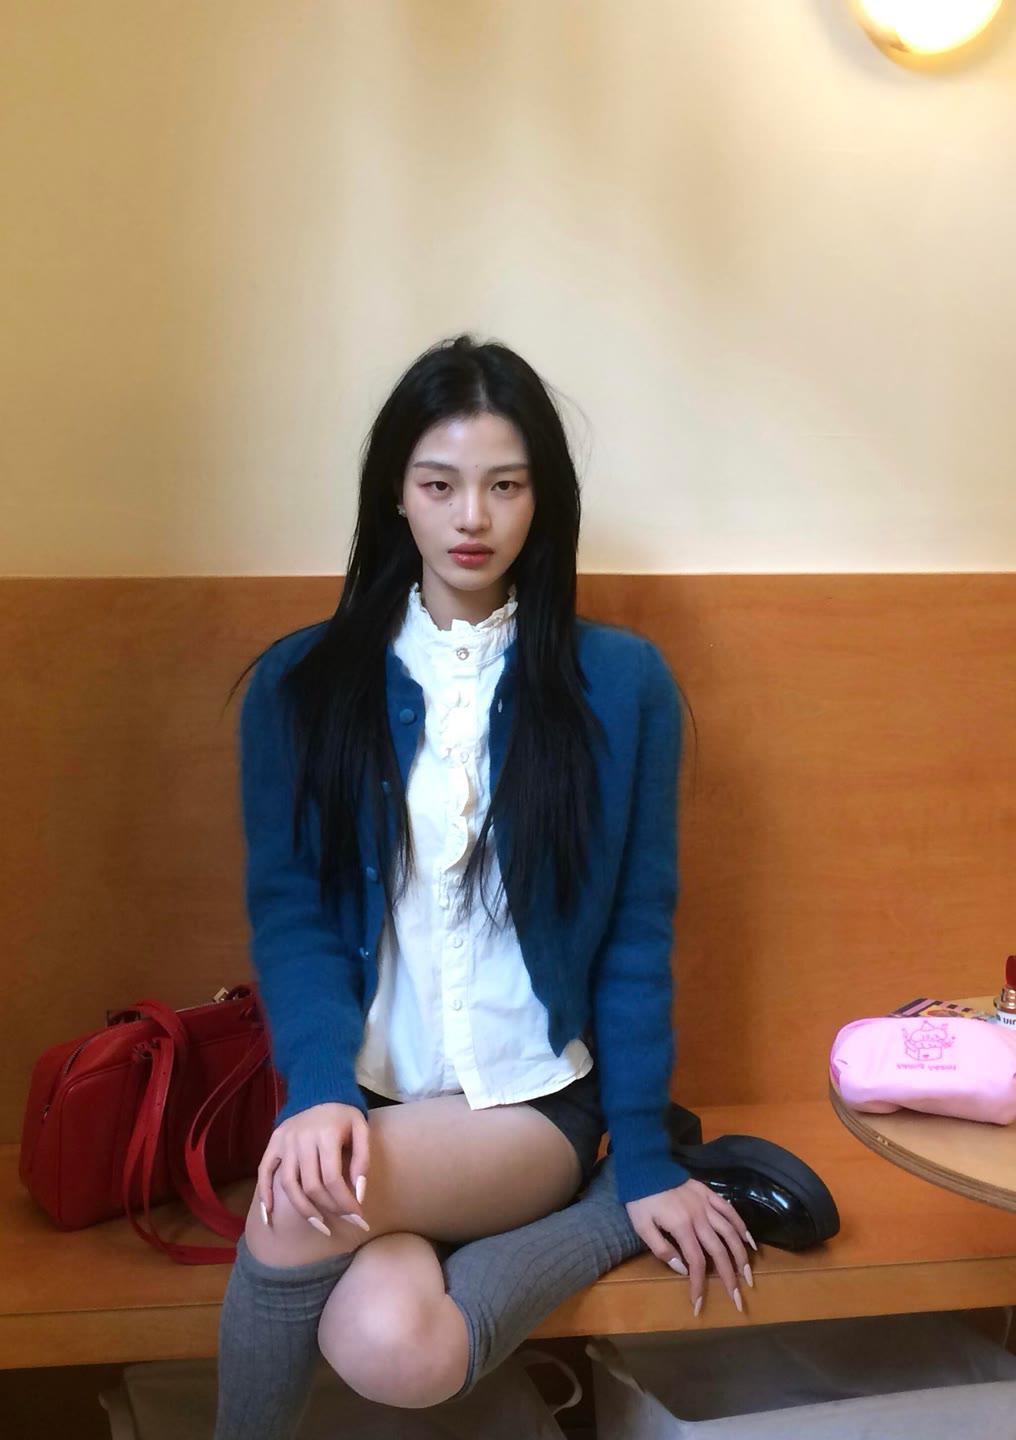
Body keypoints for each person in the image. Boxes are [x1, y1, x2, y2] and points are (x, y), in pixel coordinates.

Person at [214, 335, 754, 1439]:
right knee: (392, 1343)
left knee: (299, 1206)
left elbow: (637, 933)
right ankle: (609, 1218)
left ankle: (626, 1176)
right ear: (395, 497)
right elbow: (293, 915)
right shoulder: (300, 684)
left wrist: (641, 1147)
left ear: (541, 501)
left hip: (532, 1105)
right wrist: (317, 1089)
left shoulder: (623, 684)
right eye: (439, 485)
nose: (473, 517)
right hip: (374, 1100)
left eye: (506, 485)